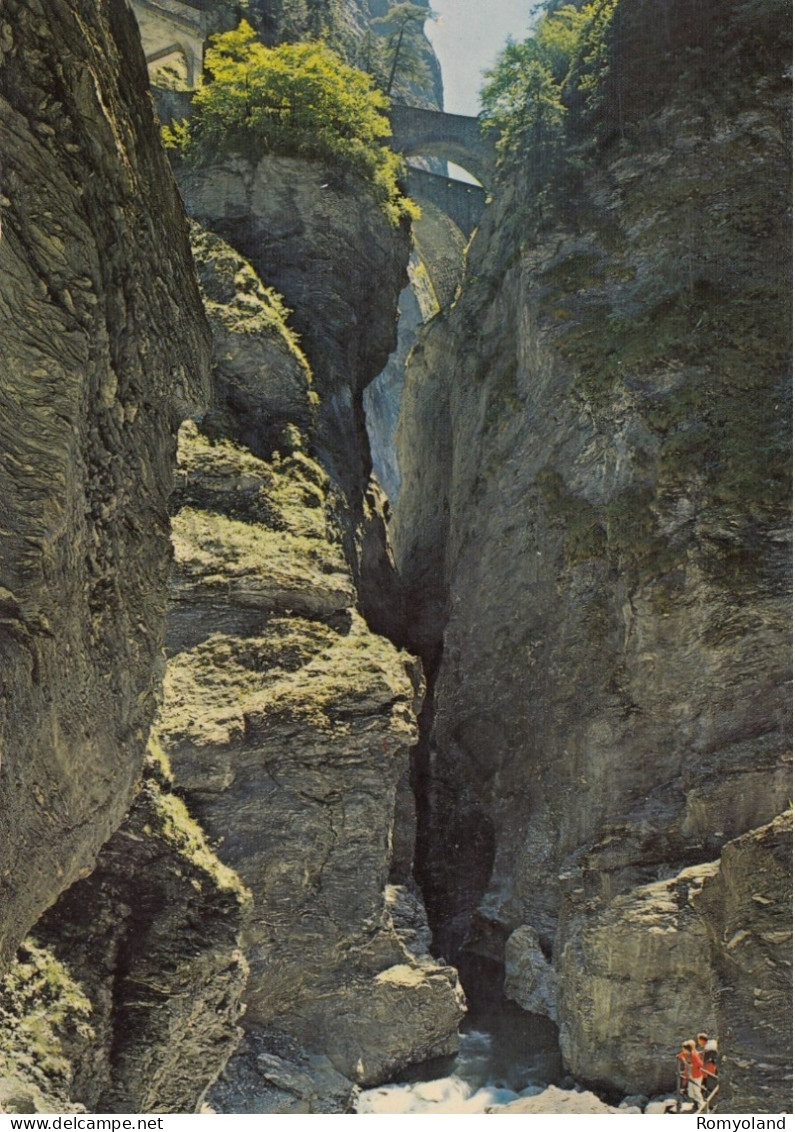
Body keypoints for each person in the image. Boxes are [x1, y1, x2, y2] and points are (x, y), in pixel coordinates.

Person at [677, 1039, 705, 1105]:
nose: (682, 1050)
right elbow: (680, 1055)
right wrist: (683, 1059)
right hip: (691, 1076)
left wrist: (692, 1065)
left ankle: (702, 1105)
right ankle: (695, 1103)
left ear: (687, 1049)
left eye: (683, 1048)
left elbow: (700, 1064)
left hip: (696, 1076)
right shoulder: (686, 1054)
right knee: (691, 1091)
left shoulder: (694, 1055)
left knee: (697, 1091)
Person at [697, 1033, 719, 1097]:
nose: (699, 1043)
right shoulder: (712, 1041)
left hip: (712, 1066)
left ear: (701, 1040)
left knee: (707, 1081)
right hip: (716, 1062)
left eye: (699, 1041)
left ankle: (707, 1096)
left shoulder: (707, 1049)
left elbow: (703, 1063)